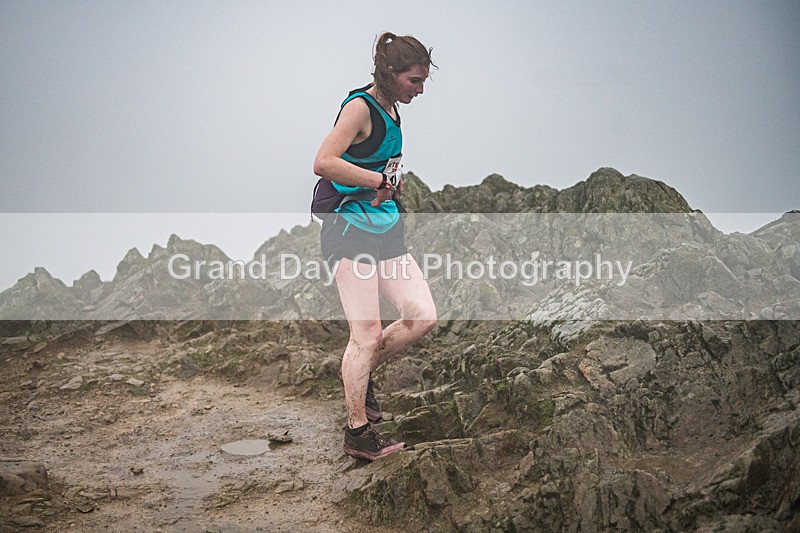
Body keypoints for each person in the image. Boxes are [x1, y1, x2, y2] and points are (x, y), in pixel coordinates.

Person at [312, 32, 438, 461]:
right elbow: (324, 162)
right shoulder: (360, 107)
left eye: (423, 81)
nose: (420, 89)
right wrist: (378, 181)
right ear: (390, 73)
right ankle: (358, 435)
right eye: (414, 80)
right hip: (349, 230)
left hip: (387, 229)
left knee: (422, 316)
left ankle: (358, 376)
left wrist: (390, 185)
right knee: (364, 335)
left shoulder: (392, 109)